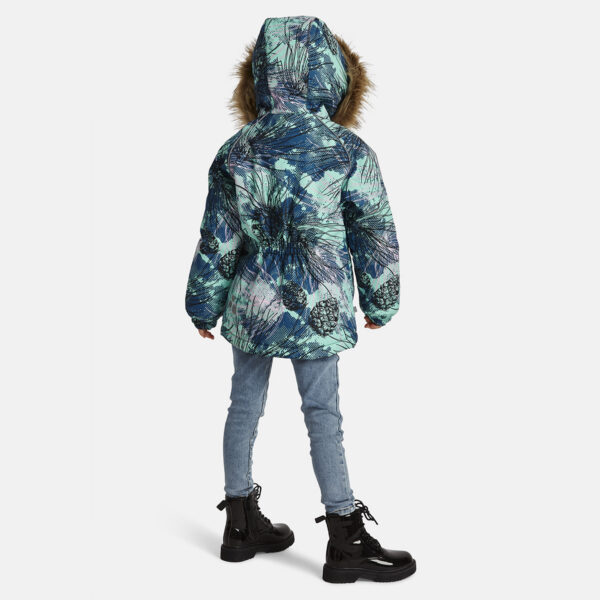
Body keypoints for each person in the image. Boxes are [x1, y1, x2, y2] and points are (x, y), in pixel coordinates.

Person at [185, 15, 416, 584]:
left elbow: (218, 235)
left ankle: (239, 526)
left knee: (243, 406)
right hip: (320, 306)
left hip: (253, 306)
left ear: (259, 75)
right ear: (333, 76)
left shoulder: (237, 150)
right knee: (323, 415)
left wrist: (203, 304)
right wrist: (380, 300)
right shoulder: (348, 150)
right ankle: (345, 539)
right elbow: (374, 231)